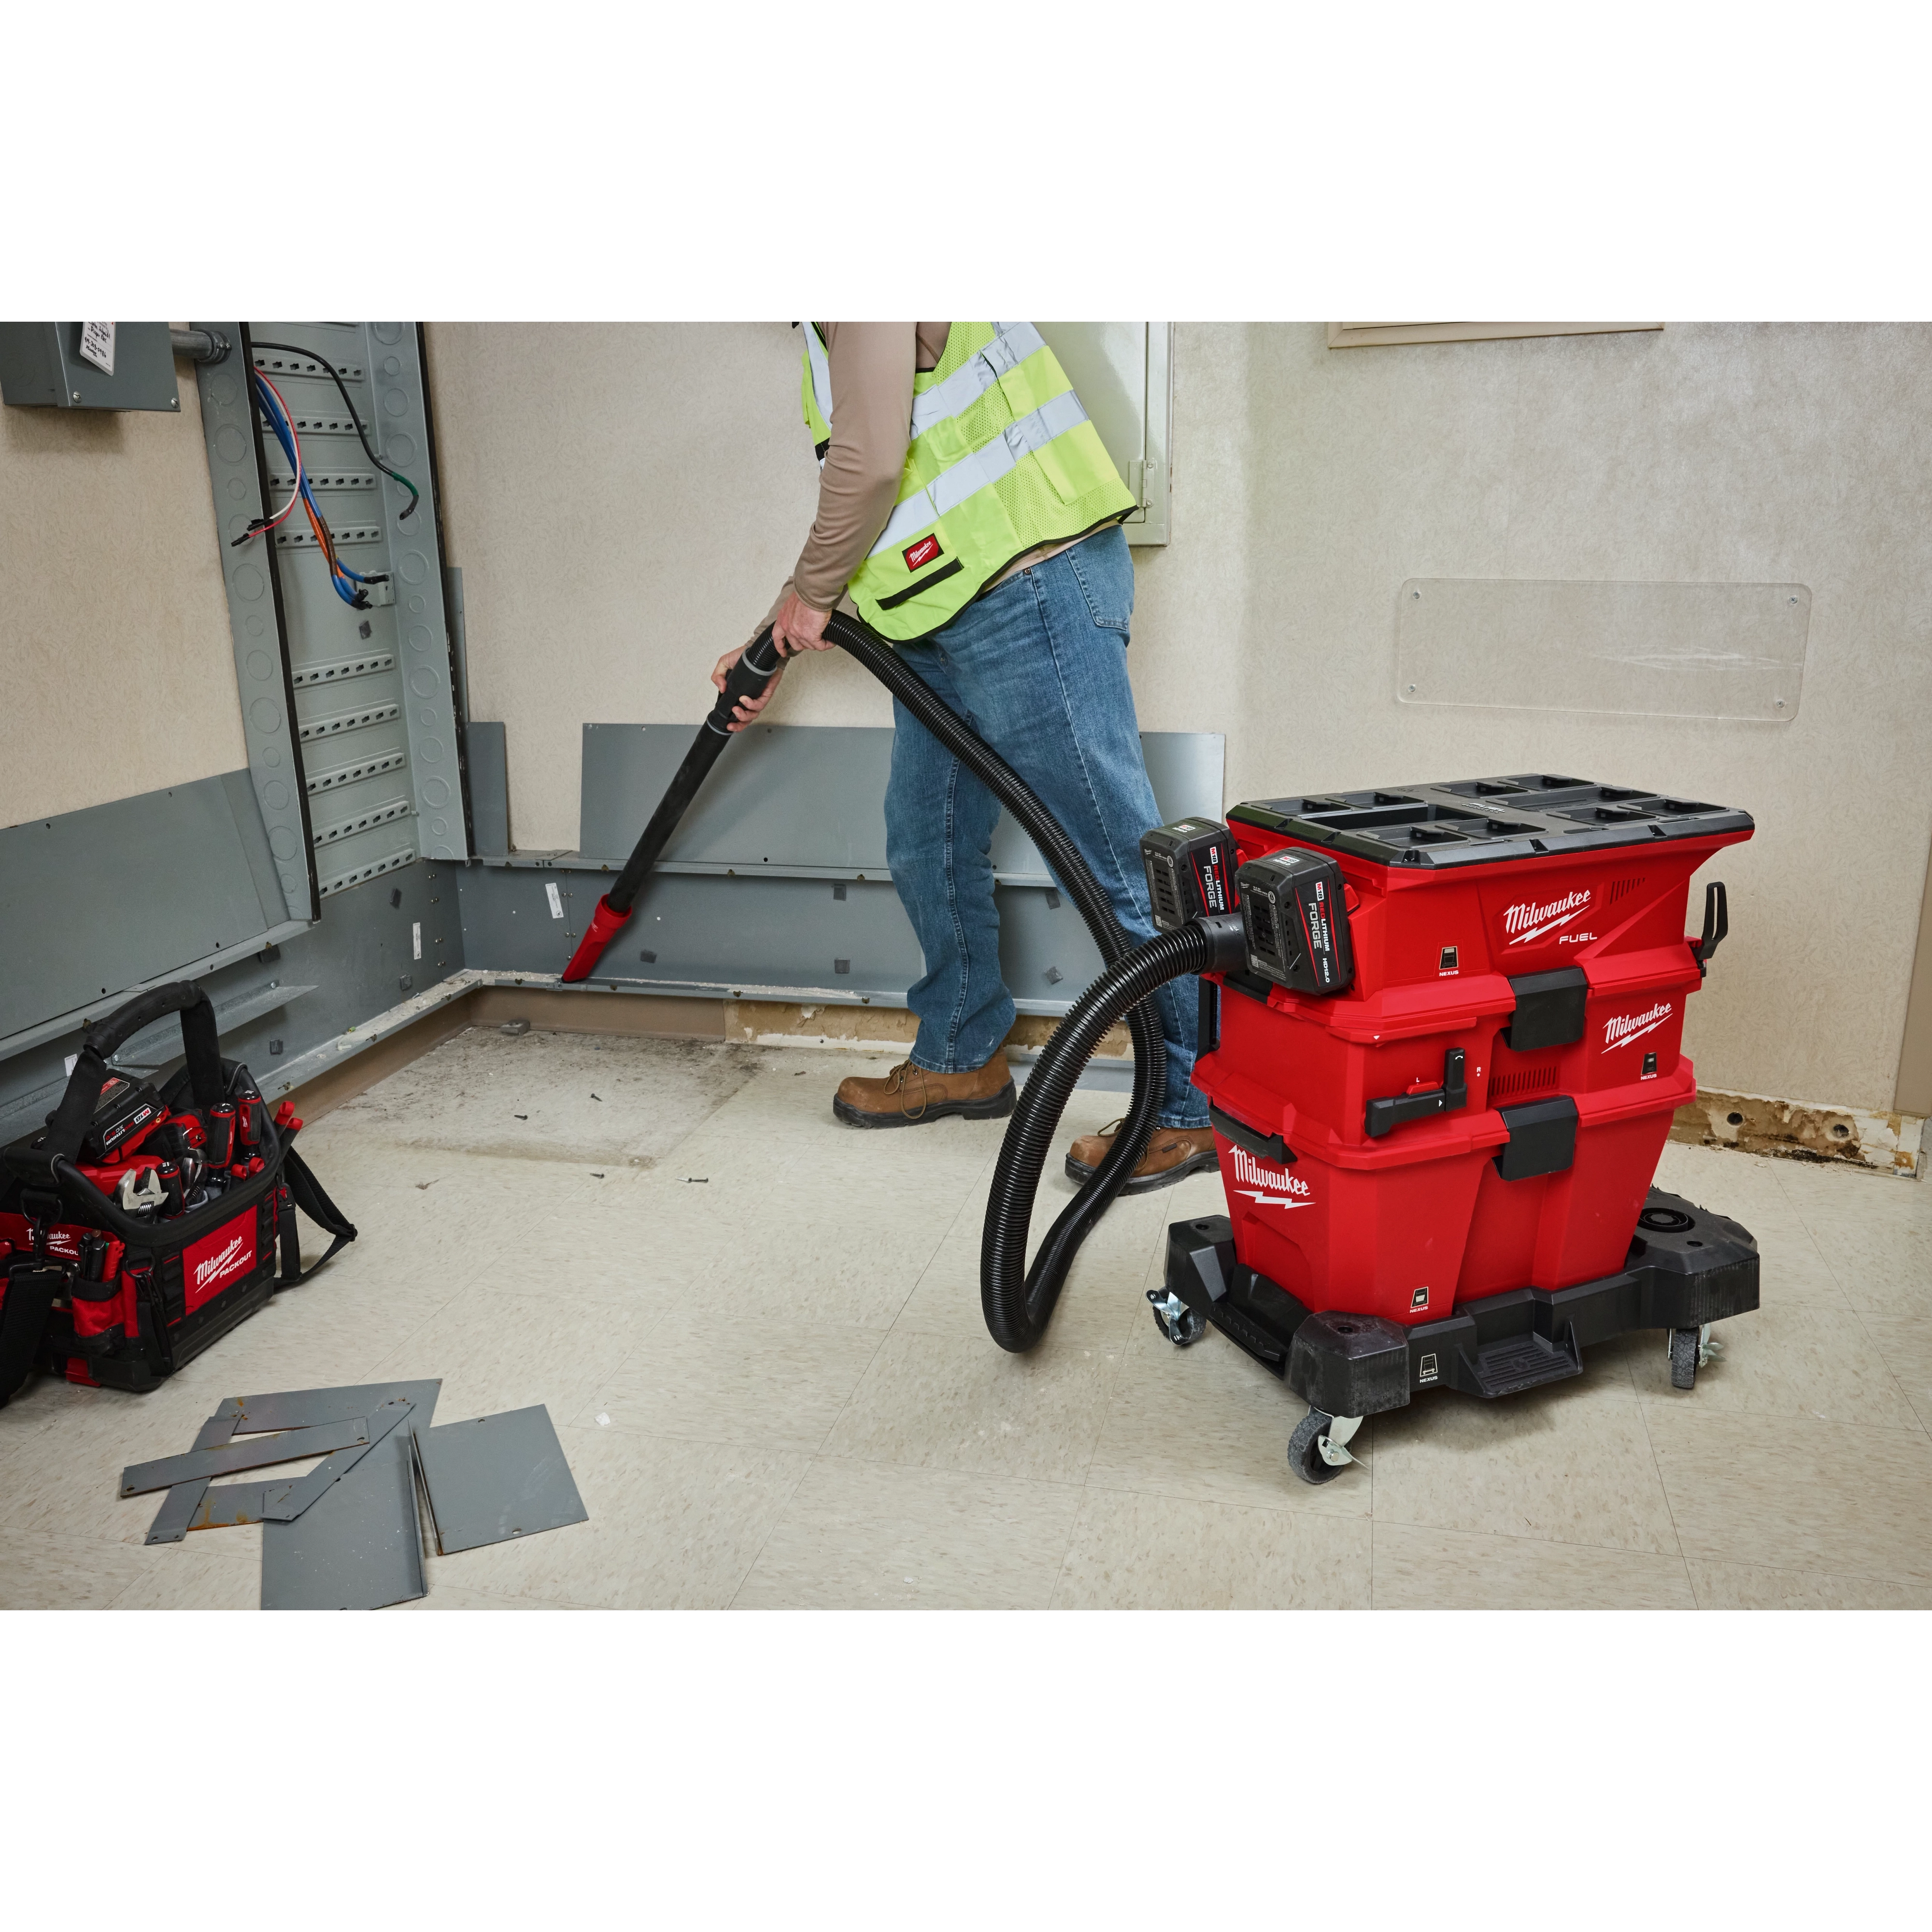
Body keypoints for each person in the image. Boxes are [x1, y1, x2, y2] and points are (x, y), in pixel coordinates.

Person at [710, 322, 1212, 1193]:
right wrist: (775, 631)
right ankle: (960, 1055)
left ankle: (1193, 1106)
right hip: (939, 610)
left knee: (1111, 862)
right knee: (925, 838)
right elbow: (890, 484)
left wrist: (804, 596)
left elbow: (867, 467)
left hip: (1029, 588)